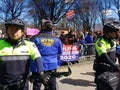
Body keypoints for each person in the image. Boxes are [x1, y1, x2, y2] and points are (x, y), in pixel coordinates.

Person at [0, 18, 49, 90]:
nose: (14, 32)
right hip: (3, 86)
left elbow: (37, 58)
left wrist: (41, 72)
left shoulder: (29, 45)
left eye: (17, 29)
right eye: (11, 29)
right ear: (7, 30)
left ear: (22, 31)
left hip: (22, 86)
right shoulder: (0, 44)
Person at [30, 19, 63, 90]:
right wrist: (58, 63)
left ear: (43, 27)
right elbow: (60, 52)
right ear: (52, 28)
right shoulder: (57, 39)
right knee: (52, 86)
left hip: (37, 67)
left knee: (37, 86)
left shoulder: (34, 38)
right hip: (52, 66)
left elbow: (30, 53)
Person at [93, 21, 120, 90]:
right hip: (102, 70)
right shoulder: (100, 42)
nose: (117, 33)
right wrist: (116, 67)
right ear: (108, 32)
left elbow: (117, 53)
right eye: (115, 31)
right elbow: (104, 57)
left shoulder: (113, 41)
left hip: (111, 70)